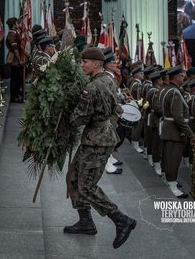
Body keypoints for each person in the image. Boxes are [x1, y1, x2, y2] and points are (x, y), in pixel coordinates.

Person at [64, 47, 136, 249]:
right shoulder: (109, 79)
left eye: (85, 61)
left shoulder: (92, 88)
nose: (82, 65)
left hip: (98, 140)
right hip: (98, 136)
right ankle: (86, 222)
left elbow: (79, 118)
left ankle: (121, 220)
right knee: (73, 177)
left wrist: (63, 116)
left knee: (86, 186)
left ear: (96, 64)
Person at [160, 66, 193, 198]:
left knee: (168, 158)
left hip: (169, 128)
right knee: (173, 160)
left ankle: (169, 180)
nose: (183, 77)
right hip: (174, 131)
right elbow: (178, 117)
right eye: (182, 75)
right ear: (177, 77)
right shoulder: (174, 92)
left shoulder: (167, 89)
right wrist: (190, 133)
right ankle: (172, 185)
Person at [5, 17, 23, 102]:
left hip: (17, 58)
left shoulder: (15, 32)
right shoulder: (12, 34)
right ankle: (14, 96)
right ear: (13, 25)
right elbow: (15, 48)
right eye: (16, 23)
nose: (18, 24)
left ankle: (17, 93)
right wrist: (19, 60)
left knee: (18, 77)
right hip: (14, 59)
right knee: (15, 78)